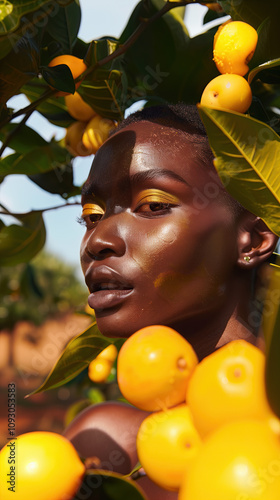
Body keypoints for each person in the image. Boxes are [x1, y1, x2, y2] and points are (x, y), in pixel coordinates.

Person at [65, 103, 278, 499]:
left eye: (152, 206)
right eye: (92, 216)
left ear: (253, 239)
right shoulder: (100, 450)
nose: (97, 241)